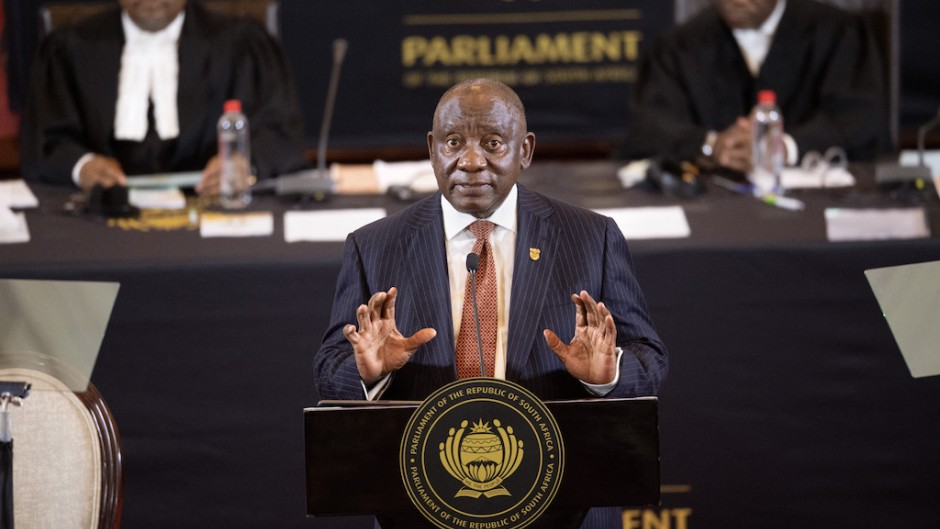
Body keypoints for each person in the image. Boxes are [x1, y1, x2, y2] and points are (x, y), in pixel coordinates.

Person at [314, 78, 668, 529]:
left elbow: (649, 358)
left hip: (564, 504)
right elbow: (328, 371)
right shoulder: (373, 246)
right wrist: (370, 372)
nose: (471, 161)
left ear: (525, 150)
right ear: (432, 148)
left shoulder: (590, 237)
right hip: (425, 506)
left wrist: (606, 376)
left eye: (494, 143)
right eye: (454, 142)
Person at [19, 0, 308, 194]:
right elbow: (44, 143)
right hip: (100, 217)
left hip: (213, 212)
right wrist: (82, 166)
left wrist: (244, 164)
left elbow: (282, 137)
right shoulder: (70, 47)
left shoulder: (242, 44)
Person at [625, 0, 887, 174]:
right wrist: (712, 145)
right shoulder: (678, 46)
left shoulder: (838, 33)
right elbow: (650, 126)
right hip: (712, 211)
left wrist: (783, 148)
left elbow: (858, 119)